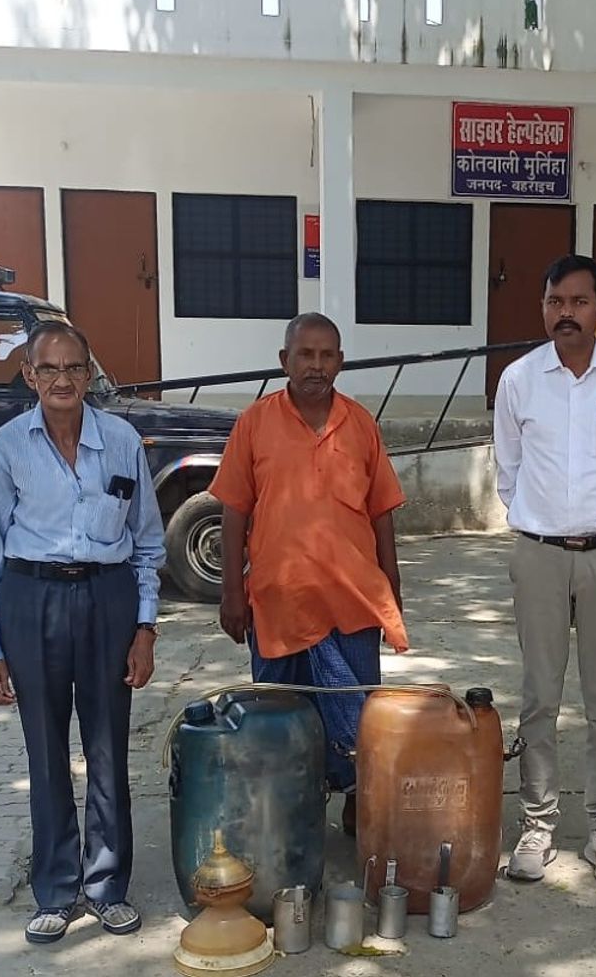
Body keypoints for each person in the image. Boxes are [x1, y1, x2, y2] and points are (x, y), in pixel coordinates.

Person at [0, 321, 165, 944]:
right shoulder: (7, 446)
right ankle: (55, 889)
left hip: (108, 599)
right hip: (33, 599)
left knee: (107, 747)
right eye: (47, 368)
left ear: (89, 374)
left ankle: (107, 887)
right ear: (29, 375)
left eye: (73, 367)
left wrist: (145, 627)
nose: (61, 379)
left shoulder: (122, 440)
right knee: (46, 751)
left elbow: (148, 543)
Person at [493, 254, 596, 884]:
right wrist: (542, 523)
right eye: (555, 301)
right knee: (539, 695)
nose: (566, 313)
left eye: (578, 302)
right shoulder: (519, 380)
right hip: (538, 553)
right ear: (543, 307)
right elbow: (508, 471)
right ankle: (538, 822)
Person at [211, 312, 407, 835]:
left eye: (326, 356)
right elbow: (234, 510)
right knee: (281, 716)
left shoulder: (361, 424)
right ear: (285, 360)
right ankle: (291, 808)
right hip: (279, 602)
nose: (315, 366)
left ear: (340, 362)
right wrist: (232, 593)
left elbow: (382, 511)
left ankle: (355, 796)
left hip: (352, 601)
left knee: (355, 710)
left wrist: (391, 586)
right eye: (305, 355)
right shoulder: (254, 423)